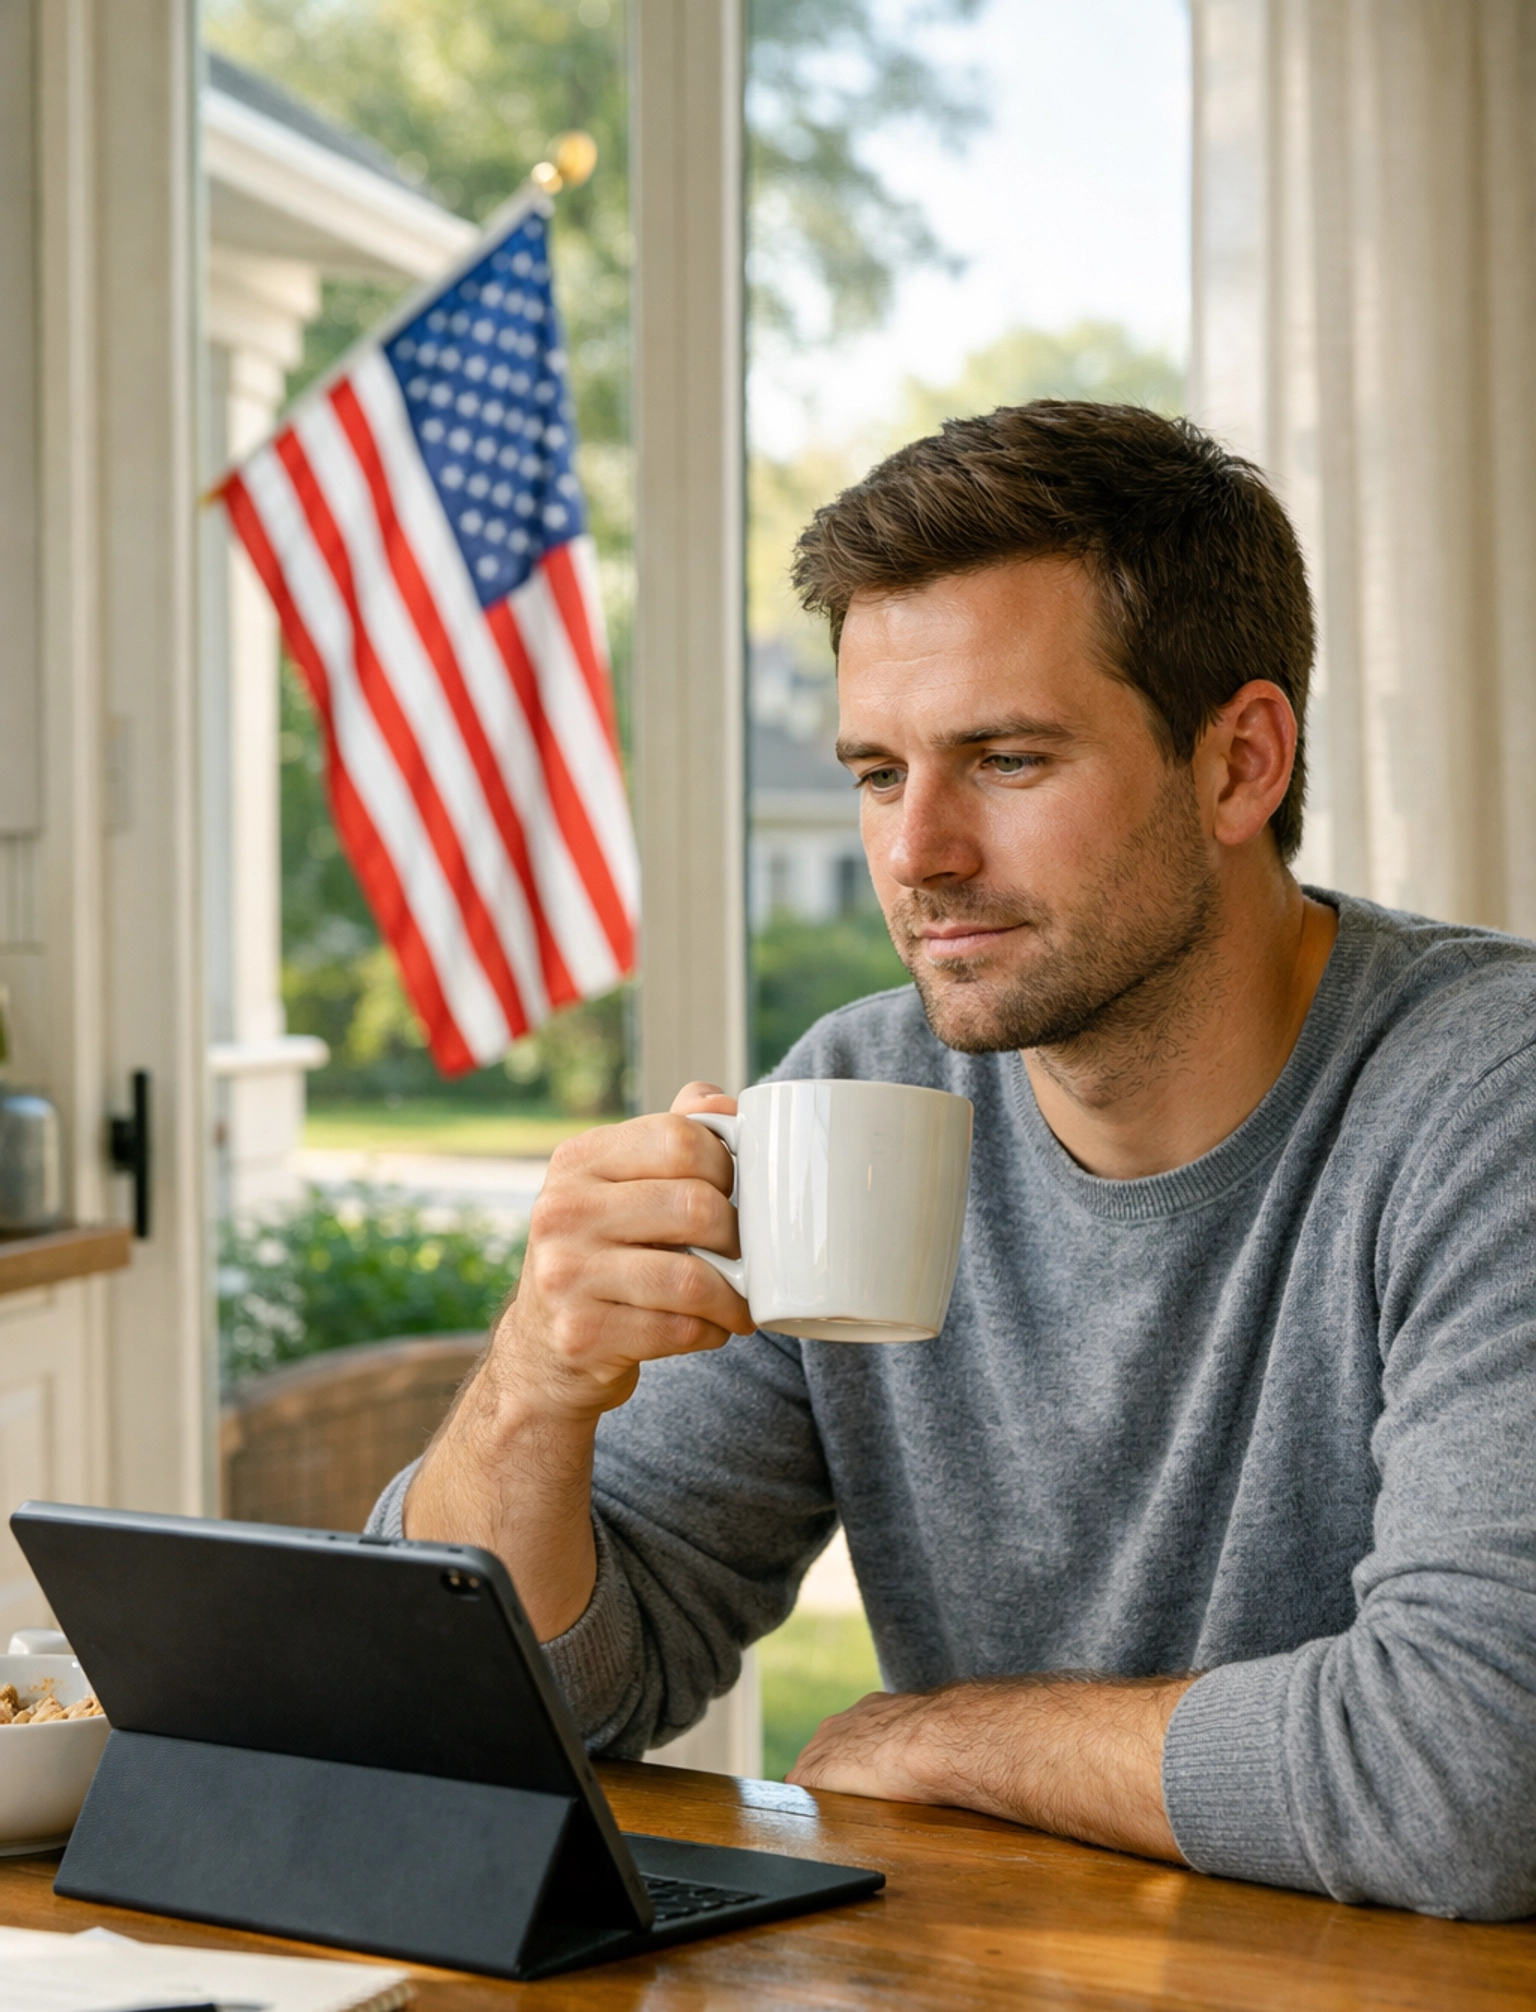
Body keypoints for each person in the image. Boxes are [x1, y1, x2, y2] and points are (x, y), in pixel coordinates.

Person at [375, 402, 1536, 1921]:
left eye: (1005, 758)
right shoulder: (858, 1099)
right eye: (876, 771)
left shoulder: (1483, 1100)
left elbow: (1470, 1777)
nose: (918, 853)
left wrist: (943, 1738)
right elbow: (508, 1710)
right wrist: (535, 1381)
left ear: (1241, 762)